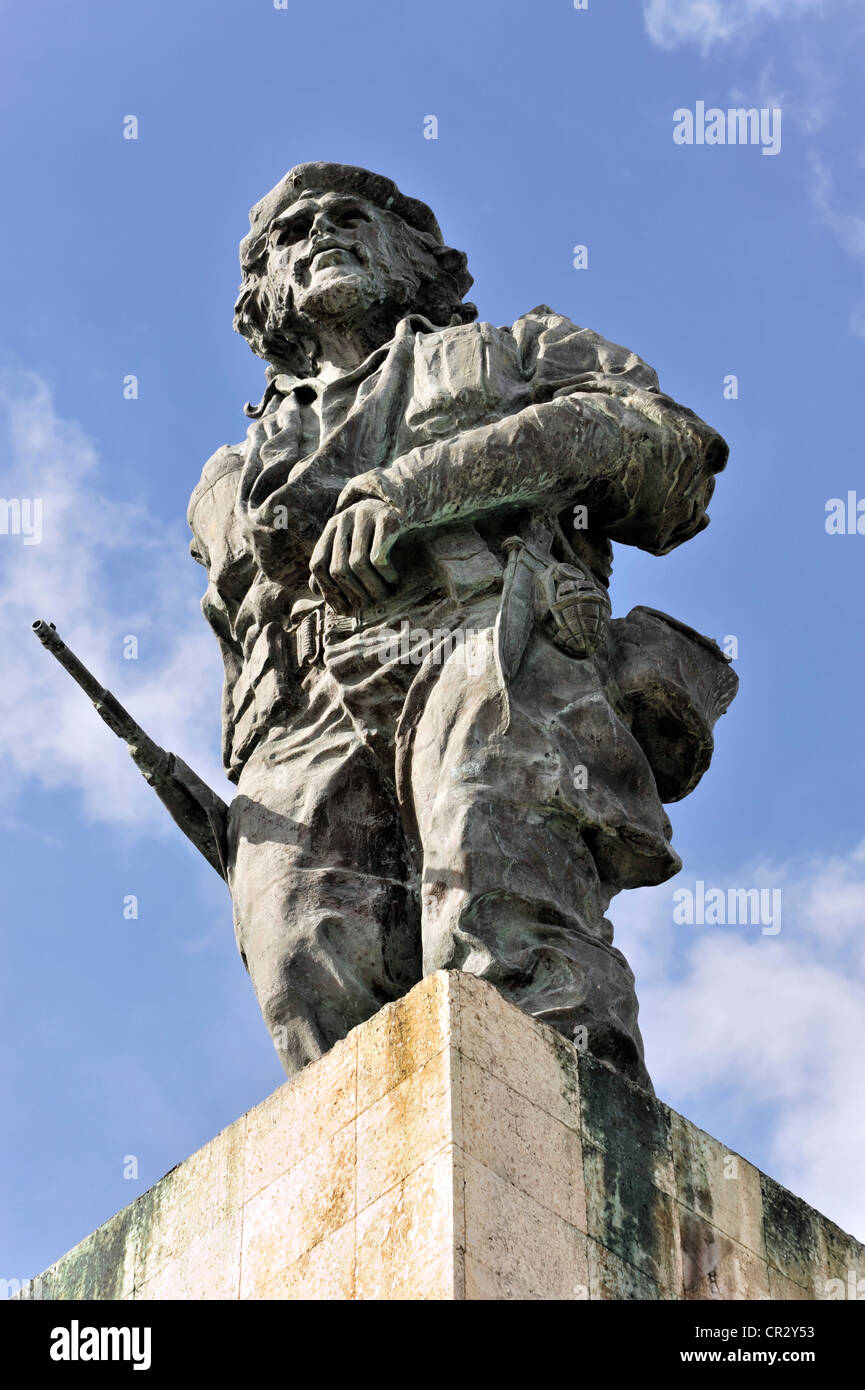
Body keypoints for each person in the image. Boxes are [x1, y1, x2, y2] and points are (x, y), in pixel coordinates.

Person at [188, 162, 737, 1092]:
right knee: (300, 958)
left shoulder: (519, 350)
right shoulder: (227, 478)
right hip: (307, 714)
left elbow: (666, 455)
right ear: (264, 292)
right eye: (292, 231)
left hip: (489, 633)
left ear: (416, 254)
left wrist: (420, 488)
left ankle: (567, 1146)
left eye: (350, 216)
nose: (321, 233)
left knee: (495, 902)